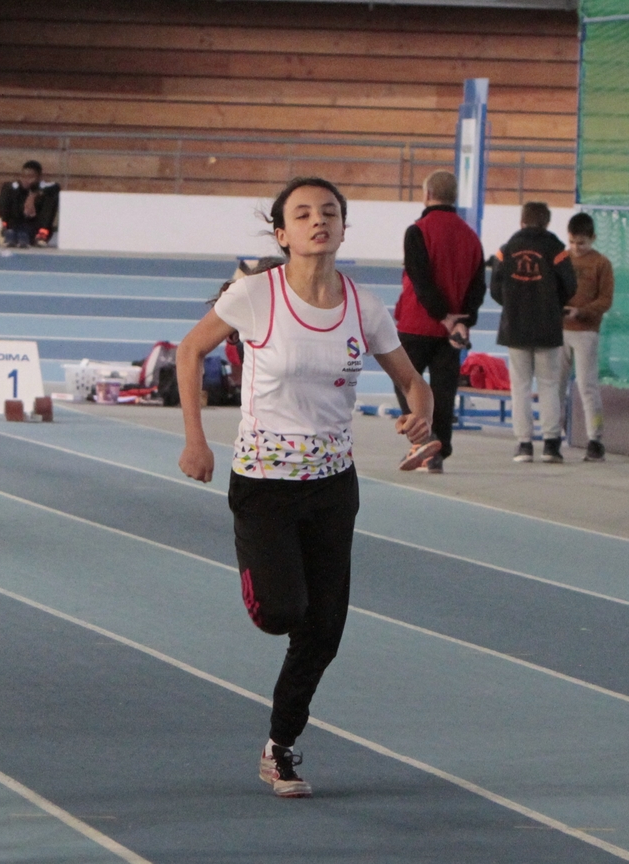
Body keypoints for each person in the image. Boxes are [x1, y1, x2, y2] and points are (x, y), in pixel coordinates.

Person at [176, 177, 434, 799]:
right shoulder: (255, 295)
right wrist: (195, 440)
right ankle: (260, 585)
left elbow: (412, 381)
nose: (319, 221)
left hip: (333, 486)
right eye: (303, 214)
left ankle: (280, 747)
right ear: (282, 233)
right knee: (282, 614)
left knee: (324, 631)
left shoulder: (363, 307)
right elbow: (188, 351)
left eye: (329, 212)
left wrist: (421, 417)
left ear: (343, 227)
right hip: (264, 483)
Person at [391, 170, 486, 473]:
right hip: (452, 332)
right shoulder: (471, 236)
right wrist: (463, 321)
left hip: (417, 324)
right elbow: (478, 286)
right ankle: (437, 453)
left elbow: (421, 280)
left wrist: (441, 316)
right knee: (444, 392)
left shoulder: (417, 231)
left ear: (427, 194)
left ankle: (424, 439)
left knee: (405, 381)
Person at [490, 201, 577, 463]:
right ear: (547, 223)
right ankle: (551, 445)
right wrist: (553, 305)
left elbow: (495, 288)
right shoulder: (556, 249)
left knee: (520, 387)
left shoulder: (507, 249)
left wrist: (512, 304)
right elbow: (570, 285)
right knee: (549, 385)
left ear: (522, 221)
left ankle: (524, 444)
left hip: (515, 327)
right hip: (547, 326)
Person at [561, 213, 614, 462]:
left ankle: (595, 439)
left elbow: (605, 300)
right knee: (555, 385)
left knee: (587, 385)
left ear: (593, 238)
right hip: (560, 331)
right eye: (572, 242)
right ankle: (554, 434)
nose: (576, 247)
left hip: (586, 332)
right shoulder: (562, 259)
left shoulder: (601, 263)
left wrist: (581, 312)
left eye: (581, 243)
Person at [0, 160, 60, 248]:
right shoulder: (13, 188)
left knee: (50, 200)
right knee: (7, 199)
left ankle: (38, 237)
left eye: (31, 177)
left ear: (39, 177)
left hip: (36, 227)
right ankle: (9, 234)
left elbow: (55, 188)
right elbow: (5, 190)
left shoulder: (47, 188)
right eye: (23, 176)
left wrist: (34, 195)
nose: (26, 180)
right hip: (16, 224)